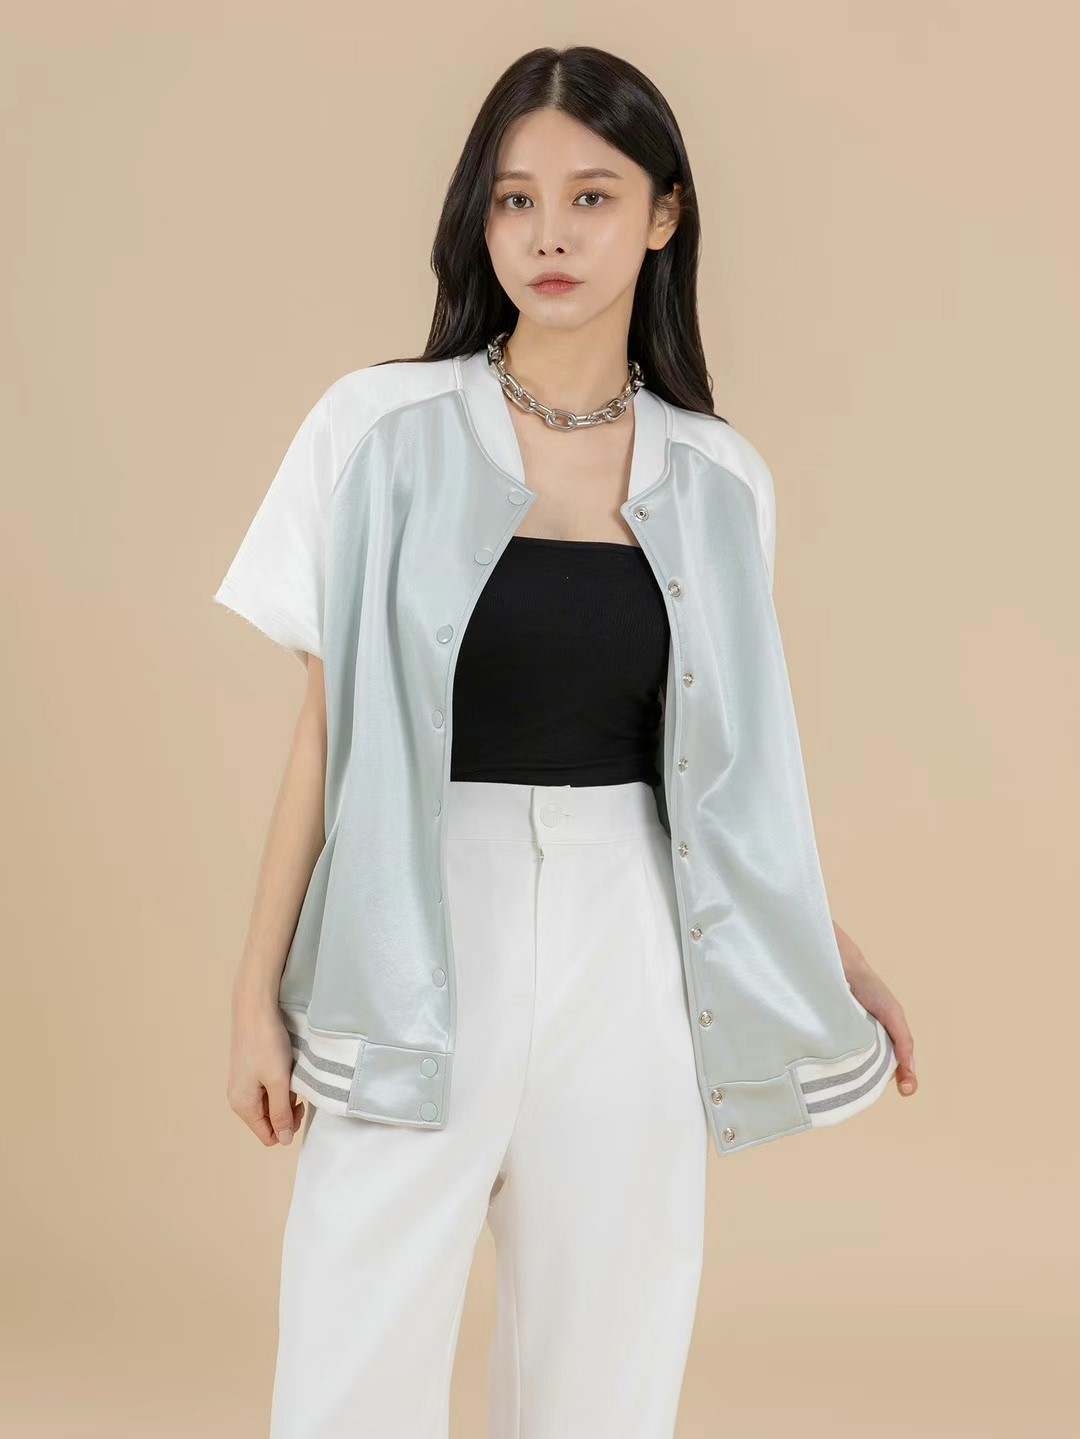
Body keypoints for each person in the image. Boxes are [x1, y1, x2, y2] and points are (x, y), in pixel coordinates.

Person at [214, 44, 917, 1439]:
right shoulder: (376, 431)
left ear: (663, 215)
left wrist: (828, 947)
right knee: (354, 1350)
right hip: (414, 918)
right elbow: (327, 733)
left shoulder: (721, 479)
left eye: (593, 197)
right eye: (515, 198)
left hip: (631, 940)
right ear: (478, 219)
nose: (550, 234)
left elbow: (718, 778)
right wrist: (253, 999)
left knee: (609, 1355)